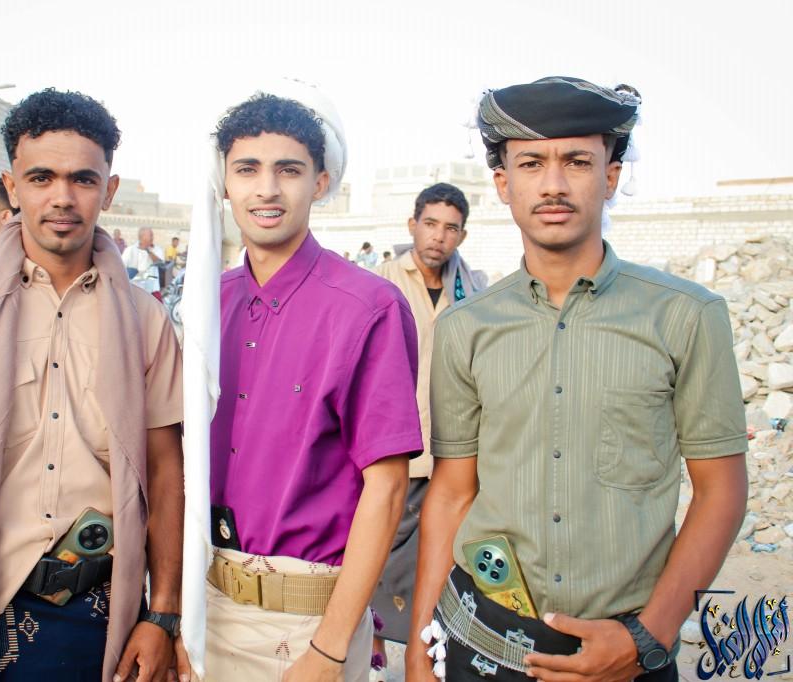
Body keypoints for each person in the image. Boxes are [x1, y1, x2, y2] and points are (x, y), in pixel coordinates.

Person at [407, 77, 749, 682]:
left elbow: (720, 490)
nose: (553, 184)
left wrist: (647, 637)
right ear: (503, 184)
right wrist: (418, 647)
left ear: (610, 177)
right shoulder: (466, 327)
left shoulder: (686, 316)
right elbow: (454, 491)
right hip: (481, 638)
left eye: (577, 161)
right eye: (531, 163)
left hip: (626, 651)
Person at [0, 88, 185, 682]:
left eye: (83, 179)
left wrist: (162, 614)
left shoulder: (145, 320)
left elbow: (163, 472)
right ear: (13, 185)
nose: (62, 197)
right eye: (41, 177)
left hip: (106, 609)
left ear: (109, 189)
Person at [183, 84, 422, 681]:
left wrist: (329, 649)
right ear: (224, 184)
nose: (266, 189)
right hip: (205, 611)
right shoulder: (207, 305)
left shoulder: (366, 308)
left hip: (307, 627)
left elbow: (387, 487)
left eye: (288, 170)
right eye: (247, 169)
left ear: (320, 182)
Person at [370, 183, 486, 671]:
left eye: (451, 228)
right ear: (412, 225)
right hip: (396, 441)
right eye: (431, 224)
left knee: (441, 553)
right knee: (382, 546)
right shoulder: (380, 281)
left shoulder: (476, 288)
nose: (439, 236)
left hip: (456, 448)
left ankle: (431, 652)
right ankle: (373, 644)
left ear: (462, 234)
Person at [121, 226, 164, 293]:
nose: (152, 238)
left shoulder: (157, 249)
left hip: (152, 290)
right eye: (150, 235)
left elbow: (160, 263)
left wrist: (148, 251)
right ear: (142, 237)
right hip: (133, 289)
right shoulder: (130, 250)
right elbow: (121, 267)